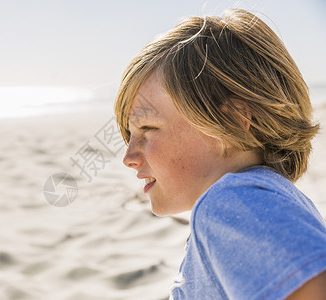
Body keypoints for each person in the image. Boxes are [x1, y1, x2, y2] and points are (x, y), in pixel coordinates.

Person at [114, 8, 326, 299]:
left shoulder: (231, 203)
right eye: (129, 135)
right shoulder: (270, 199)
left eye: (148, 127)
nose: (129, 156)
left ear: (233, 120)